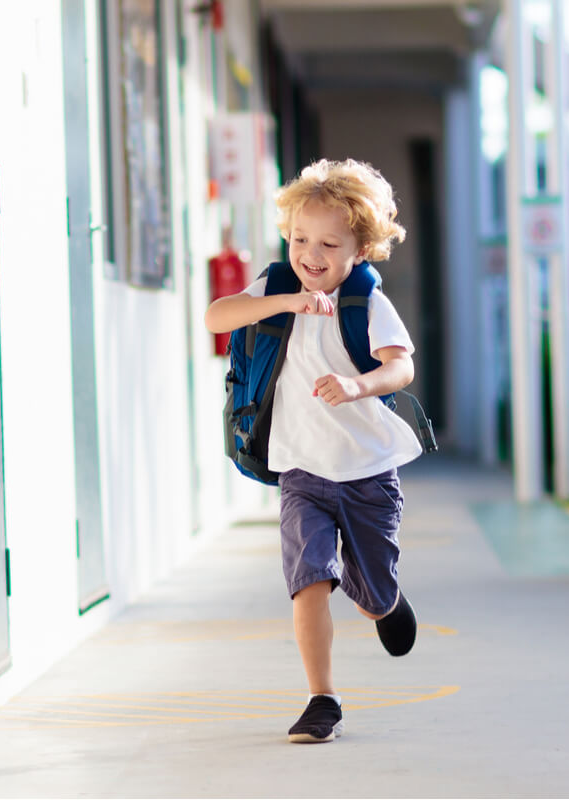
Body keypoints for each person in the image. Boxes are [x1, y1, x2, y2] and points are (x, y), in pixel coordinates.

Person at [204, 158, 421, 744]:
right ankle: (322, 699)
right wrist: (285, 304)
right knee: (308, 582)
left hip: (367, 472)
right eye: (300, 238)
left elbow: (400, 366)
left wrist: (356, 385)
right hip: (301, 469)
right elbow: (217, 315)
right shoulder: (276, 288)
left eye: (329, 243)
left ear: (360, 249)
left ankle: (384, 600)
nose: (311, 254)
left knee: (371, 590)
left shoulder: (364, 302)